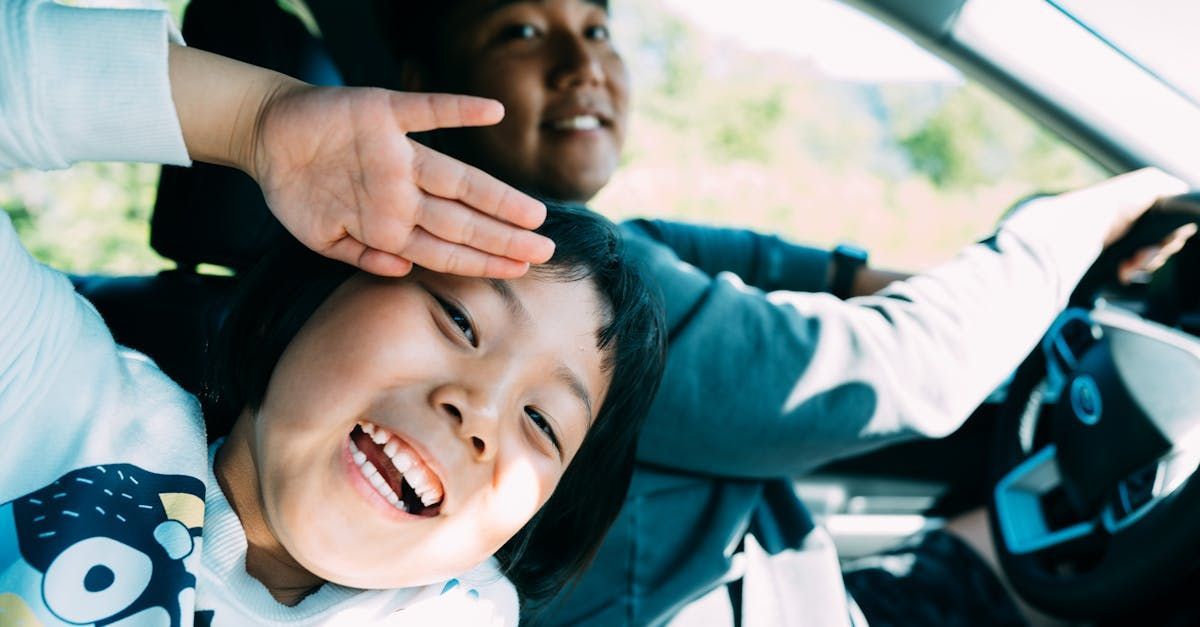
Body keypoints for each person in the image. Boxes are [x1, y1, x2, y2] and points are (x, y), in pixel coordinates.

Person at [378, 1, 1192, 624]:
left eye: (595, 28)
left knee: (1003, 540)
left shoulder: (598, 244)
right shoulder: (546, 290)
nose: (579, 63)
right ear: (422, 84)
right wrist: (1081, 222)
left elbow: (782, 267)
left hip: (774, 589)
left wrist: (1034, 280)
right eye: (520, 31)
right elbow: (902, 366)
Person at [0, 1, 665, 624]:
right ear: (307, 301)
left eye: (542, 422)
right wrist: (251, 120)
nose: (481, 411)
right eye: (458, 320)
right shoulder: (59, 399)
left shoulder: (453, 611)